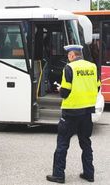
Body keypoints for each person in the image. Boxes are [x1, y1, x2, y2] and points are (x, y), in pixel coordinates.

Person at [46, 44, 101, 184]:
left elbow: (65, 92)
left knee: (63, 144)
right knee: (86, 143)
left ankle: (59, 175)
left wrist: (59, 89)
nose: (68, 58)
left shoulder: (69, 68)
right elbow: (97, 86)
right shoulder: (93, 67)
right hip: (87, 111)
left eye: (68, 56)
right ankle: (89, 174)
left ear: (71, 55)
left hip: (71, 112)